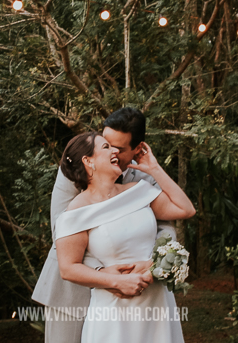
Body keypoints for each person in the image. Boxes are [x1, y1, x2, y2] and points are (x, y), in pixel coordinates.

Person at [31, 107, 173, 342]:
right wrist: (102, 273)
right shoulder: (74, 170)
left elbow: (166, 226)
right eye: (105, 144)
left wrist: (154, 262)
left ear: (137, 149)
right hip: (70, 293)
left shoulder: (145, 177)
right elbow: (60, 228)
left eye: (118, 148)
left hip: (133, 297)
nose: (110, 152)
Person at [55, 131, 195, 343]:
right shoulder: (76, 212)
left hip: (158, 303)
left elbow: (185, 209)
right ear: (88, 161)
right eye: (105, 147)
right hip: (114, 313)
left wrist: (155, 169)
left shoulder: (139, 191)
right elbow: (68, 268)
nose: (115, 151)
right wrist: (116, 281)